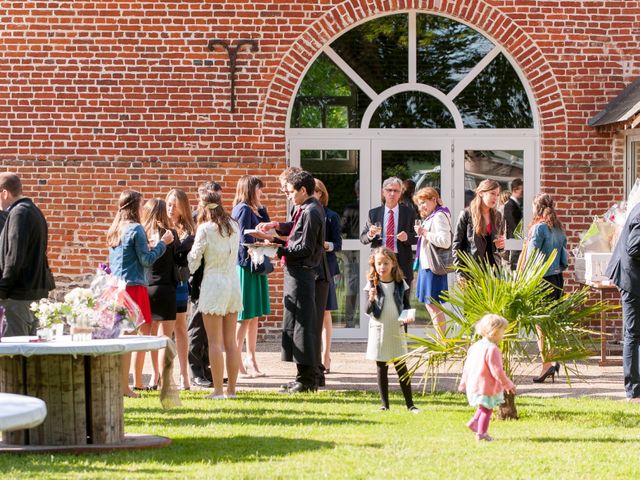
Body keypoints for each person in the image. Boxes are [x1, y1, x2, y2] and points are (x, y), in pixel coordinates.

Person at [260, 170, 326, 393]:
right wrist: (276, 228)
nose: (287, 195)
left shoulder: (311, 211)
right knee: (298, 324)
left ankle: (307, 380)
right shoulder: (304, 208)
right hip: (298, 273)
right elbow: (296, 230)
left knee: (302, 327)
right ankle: (306, 375)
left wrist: (276, 250)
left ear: (303, 190)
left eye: (289, 191)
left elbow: (304, 247)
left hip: (302, 274)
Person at [107, 190, 173, 398]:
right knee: (129, 339)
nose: (144, 209)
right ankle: (125, 387)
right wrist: (164, 243)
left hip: (117, 286)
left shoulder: (116, 228)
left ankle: (121, 384)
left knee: (120, 338)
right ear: (135, 207)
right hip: (134, 288)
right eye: (141, 205)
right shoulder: (136, 229)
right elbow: (146, 260)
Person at [187, 188, 242, 399]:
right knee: (231, 342)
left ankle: (218, 390)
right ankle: (232, 390)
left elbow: (193, 261)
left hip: (213, 284)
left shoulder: (205, 229)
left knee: (215, 342)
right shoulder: (234, 226)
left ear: (202, 206)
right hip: (232, 284)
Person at [365, 247, 419, 413]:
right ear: (374, 264)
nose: (382, 267)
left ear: (393, 264)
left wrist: (408, 317)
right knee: (381, 366)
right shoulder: (372, 284)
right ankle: (384, 405)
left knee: (401, 366)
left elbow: (406, 305)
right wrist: (372, 299)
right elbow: (367, 310)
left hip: (396, 329)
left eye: (386, 263)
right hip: (379, 329)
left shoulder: (400, 283)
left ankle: (410, 404)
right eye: (379, 263)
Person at [0, 172, 54, 337]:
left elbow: (15, 257)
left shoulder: (19, 213)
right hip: (31, 294)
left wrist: (2, 289)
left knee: (13, 355)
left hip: (18, 297)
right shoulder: (34, 210)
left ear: (4, 193)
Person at [231, 175, 271, 378]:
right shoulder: (243, 209)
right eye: (258, 189)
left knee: (254, 316)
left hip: (256, 264)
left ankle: (251, 358)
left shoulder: (252, 208)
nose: (261, 192)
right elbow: (246, 236)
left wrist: (262, 208)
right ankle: (237, 360)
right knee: (245, 316)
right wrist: (265, 238)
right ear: (249, 189)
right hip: (246, 266)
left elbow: (267, 226)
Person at [526, 194, 568, 384]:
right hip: (557, 278)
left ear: (536, 208)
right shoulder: (558, 228)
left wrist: (525, 280)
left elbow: (531, 258)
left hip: (541, 279)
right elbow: (564, 260)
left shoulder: (539, 228)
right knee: (550, 322)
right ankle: (553, 360)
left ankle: (547, 364)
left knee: (540, 324)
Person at [459, 314, 515, 442]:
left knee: (482, 406)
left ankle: (474, 422)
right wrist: (508, 384)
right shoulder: (492, 349)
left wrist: (463, 382)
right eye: (502, 332)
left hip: (474, 384)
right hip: (486, 386)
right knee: (487, 410)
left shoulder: (476, 346)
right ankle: (482, 433)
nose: (503, 335)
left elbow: (467, 366)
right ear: (494, 332)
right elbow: (497, 372)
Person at [141, 198, 179, 391]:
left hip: (146, 287)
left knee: (148, 338)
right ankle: (166, 378)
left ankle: (153, 375)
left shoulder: (142, 234)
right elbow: (179, 258)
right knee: (166, 338)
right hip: (166, 288)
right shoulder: (170, 234)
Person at [187, 181, 220, 388]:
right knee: (197, 326)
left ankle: (208, 368)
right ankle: (195, 370)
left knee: (211, 329)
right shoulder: (195, 220)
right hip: (199, 279)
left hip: (213, 277)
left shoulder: (219, 221)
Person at [606, 201, 640, 403]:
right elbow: (635, 247)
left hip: (632, 277)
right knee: (633, 333)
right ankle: (633, 390)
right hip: (630, 279)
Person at [360, 176, 417, 291]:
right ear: (383, 192)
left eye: (396, 191)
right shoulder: (374, 213)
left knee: (403, 300)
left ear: (400, 193)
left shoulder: (409, 213)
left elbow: (417, 237)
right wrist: (371, 234)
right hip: (380, 260)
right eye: (389, 190)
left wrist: (407, 237)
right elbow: (363, 238)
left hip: (401, 260)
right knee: (378, 298)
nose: (392, 193)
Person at [166, 188, 196, 390]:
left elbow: (182, 256)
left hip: (178, 282)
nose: (170, 208)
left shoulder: (189, 230)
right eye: (168, 204)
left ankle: (184, 374)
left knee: (180, 328)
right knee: (164, 332)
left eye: (174, 205)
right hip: (161, 282)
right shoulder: (159, 225)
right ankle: (163, 375)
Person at [413, 187, 452, 337]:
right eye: (419, 203)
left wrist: (424, 232)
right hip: (426, 265)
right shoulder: (432, 215)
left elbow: (445, 241)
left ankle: (442, 342)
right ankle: (441, 341)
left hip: (433, 267)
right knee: (431, 306)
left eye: (424, 202)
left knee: (433, 306)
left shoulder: (439, 216)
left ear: (434, 200)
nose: (421, 206)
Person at [314, 178, 342, 373]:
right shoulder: (301, 212)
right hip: (309, 268)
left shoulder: (331, 216)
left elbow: (337, 244)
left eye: (316, 192)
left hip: (326, 267)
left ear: (321, 194)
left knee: (325, 313)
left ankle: (326, 356)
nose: (313, 195)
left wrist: (326, 245)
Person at [453, 179, 505, 274]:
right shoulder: (466, 214)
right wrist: (460, 273)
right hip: (472, 270)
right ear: (481, 193)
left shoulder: (497, 215)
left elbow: (498, 245)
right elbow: (457, 246)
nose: (495, 198)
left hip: (493, 271)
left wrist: (500, 246)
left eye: (497, 195)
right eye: (492, 193)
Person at [503, 178, 524, 269]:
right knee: (515, 266)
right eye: (522, 190)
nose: (523, 193)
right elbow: (513, 225)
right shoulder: (509, 205)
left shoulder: (516, 204)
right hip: (514, 241)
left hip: (516, 240)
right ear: (515, 190)